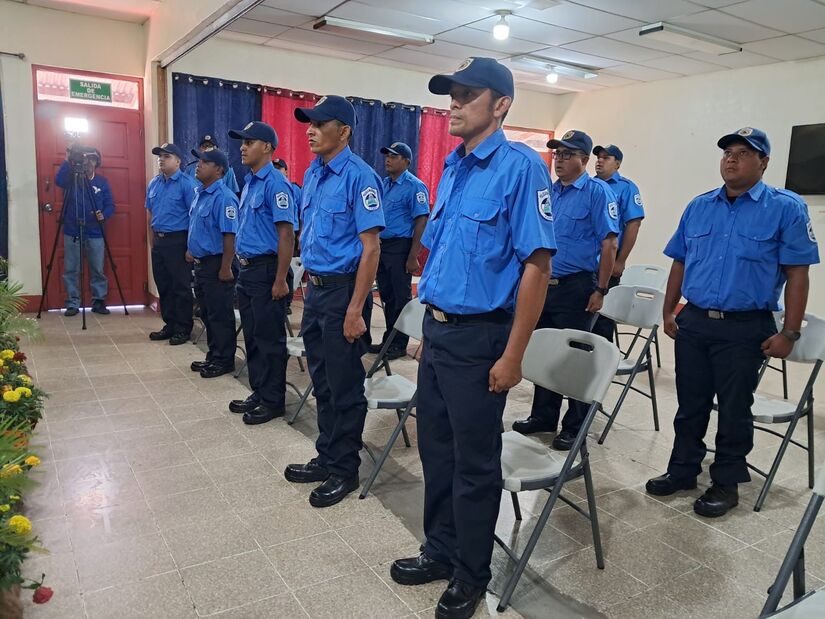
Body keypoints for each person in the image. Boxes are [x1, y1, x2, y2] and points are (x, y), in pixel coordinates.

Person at [389, 58, 556, 619]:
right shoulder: (456, 166)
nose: (453, 104)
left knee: (473, 464)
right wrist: (424, 329)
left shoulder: (520, 168)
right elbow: (449, 254)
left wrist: (514, 354)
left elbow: (536, 266)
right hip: (439, 334)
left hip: (482, 338)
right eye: (450, 96)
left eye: (466, 95)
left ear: (500, 104)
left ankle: (470, 573)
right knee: (437, 451)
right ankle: (439, 549)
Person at [645, 127, 819, 518]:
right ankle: (683, 470)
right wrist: (668, 309)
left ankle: (726, 481)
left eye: (743, 153)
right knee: (690, 403)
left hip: (745, 326)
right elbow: (680, 261)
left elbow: (798, 274)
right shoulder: (700, 205)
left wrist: (789, 332)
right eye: (727, 153)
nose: (732, 159)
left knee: (735, 407)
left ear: (764, 162)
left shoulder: (786, 208)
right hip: (696, 322)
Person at [283, 95, 385, 509]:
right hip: (317, 290)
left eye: (319, 124)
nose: (309, 130)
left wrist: (356, 309)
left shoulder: (360, 177)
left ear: (342, 131)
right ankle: (327, 455)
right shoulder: (314, 173)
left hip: (344, 291)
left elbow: (371, 249)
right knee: (321, 380)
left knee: (345, 386)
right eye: (308, 123)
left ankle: (345, 467)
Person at [511, 130, 618, 451]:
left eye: (568, 155)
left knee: (574, 358)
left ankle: (575, 425)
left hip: (578, 287)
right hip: (545, 286)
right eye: (557, 154)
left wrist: (601, 288)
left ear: (585, 160)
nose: (559, 160)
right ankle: (543, 415)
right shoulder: (549, 192)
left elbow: (609, 243)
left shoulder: (598, 193)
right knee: (544, 351)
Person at [225, 122, 295, 425]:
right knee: (253, 336)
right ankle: (259, 391)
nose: (242, 147)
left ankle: (273, 400)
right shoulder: (251, 182)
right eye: (242, 142)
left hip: (268, 271)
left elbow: (286, 235)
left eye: (249, 142)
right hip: (248, 269)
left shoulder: (276, 184)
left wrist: (281, 279)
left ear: (266, 147)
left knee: (270, 339)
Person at [367, 141, 430, 360]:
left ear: (406, 161)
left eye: (394, 156)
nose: (388, 159)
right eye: (387, 156)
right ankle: (389, 339)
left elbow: (421, 221)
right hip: (383, 247)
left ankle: (399, 343)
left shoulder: (414, 186)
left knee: (399, 298)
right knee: (387, 296)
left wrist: (413, 255)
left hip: (401, 247)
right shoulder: (384, 184)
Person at [186, 148, 239, 379]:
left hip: (218, 263)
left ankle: (224, 360)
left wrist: (226, 267)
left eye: (205, 162)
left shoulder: (224, 197)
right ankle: (213, 355)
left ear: (218, 169)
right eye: (199, 161)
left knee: (220, 314)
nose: (199, 164)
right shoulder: (200, 193)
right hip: (201, 264)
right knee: (207, 313)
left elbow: (230, 235)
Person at [146, 143, 198, 345]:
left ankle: (184, 327)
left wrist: (190, 247)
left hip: (179, 240)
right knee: (164, 285)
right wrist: (151, 240)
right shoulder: (154, 184)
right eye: (160, 156)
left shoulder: (187, 184)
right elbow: (149, 213)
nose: (161, 159)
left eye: (167, 156)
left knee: (180, 287)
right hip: (159, 241)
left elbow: (194, 217)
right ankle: (170, 324)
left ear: (178, 161)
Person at [591, 143, 645, 341]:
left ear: (618, 163)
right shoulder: (589, 186)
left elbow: (633, 225)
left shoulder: (627, 188)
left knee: (602, 322)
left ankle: (600, 366)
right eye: (598, 157)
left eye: (606, 158)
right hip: (585, 265)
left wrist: (620, 261)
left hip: (608, 263)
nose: (600, 161)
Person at [55, 145, 114, 316]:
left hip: (95, 232)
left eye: (92, 159)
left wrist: (104, 214)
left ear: (97, 162)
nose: (88, 162)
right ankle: (73, 302)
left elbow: (111, 205)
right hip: (72, 230)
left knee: (97, 268)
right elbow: (59, 181)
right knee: (71, 268)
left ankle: (99, 300)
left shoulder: (102, 182)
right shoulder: (71, 179)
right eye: (85, 158)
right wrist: (68, 159)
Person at [273, 158, 302, 315]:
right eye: (274, 168)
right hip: (275, 234)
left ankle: (288, 300)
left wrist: (301, 234)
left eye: (280, 168)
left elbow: (303, 211)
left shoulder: (294, 189)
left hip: (292, 233)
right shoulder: (269, 185)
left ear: (286, 171)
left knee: (289, 268)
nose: (277, 170)